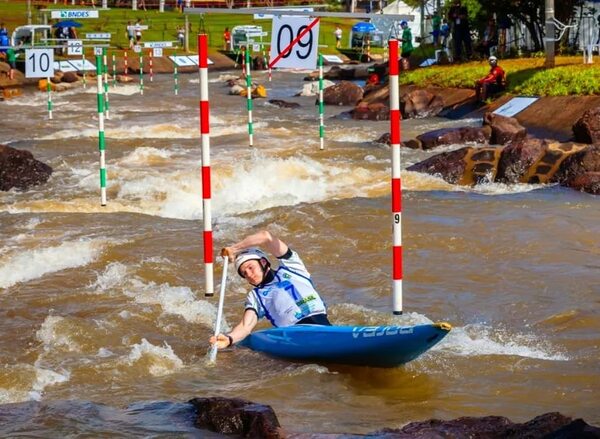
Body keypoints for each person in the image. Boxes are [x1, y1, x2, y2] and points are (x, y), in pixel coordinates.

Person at [209, 230, 331, 350]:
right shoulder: (256, 297)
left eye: (251, 268)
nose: (249, 275)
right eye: (244, 273)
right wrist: (229, 339)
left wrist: (234, 249)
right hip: (296, 336)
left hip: (324, 325)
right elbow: (246, 326)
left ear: (263, 262)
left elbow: (266, 236)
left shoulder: (292, 267)